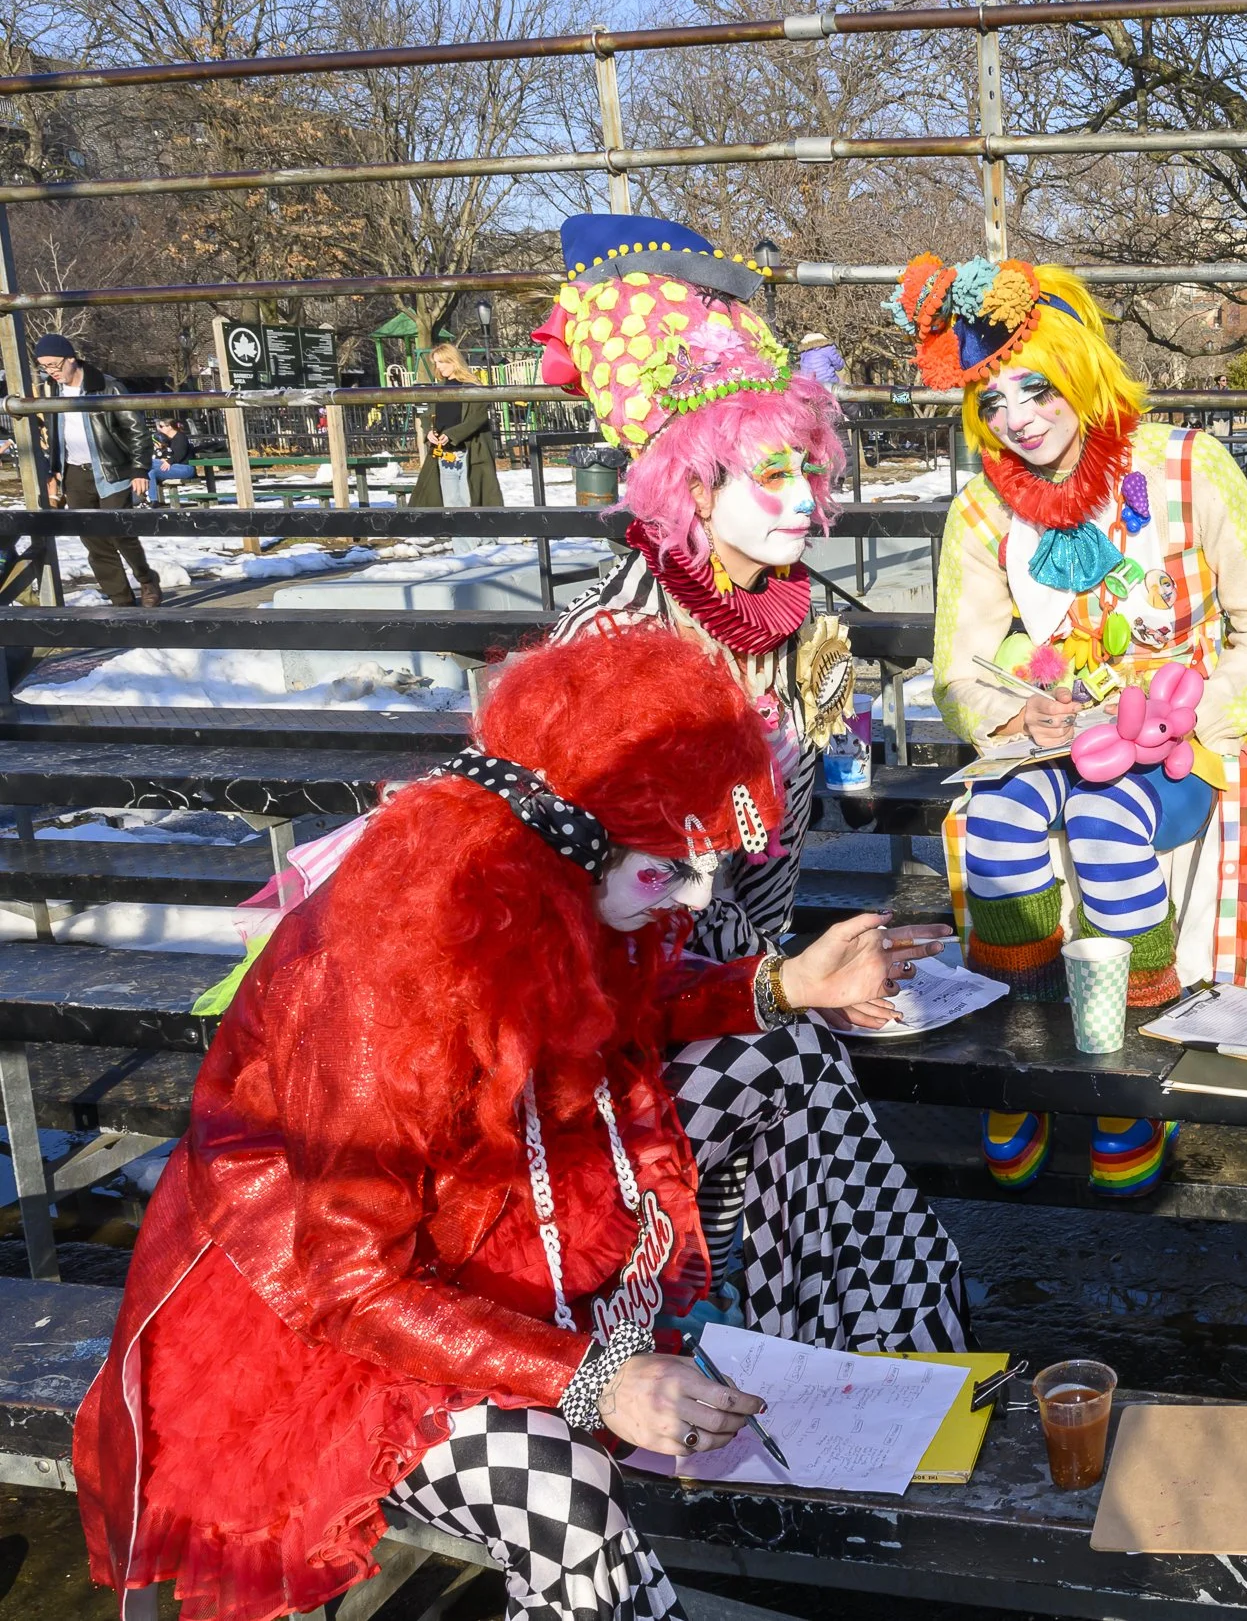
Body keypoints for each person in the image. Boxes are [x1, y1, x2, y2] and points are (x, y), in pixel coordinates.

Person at [73, 626, 956, 1621]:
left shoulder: (543, 881)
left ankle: (864, 1401)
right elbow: (347, 1285)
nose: (700, 894)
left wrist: (782, 982)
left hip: (498, 1204)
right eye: (667, 870)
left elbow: (609, 1007)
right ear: (570, 840)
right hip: (344, 1321)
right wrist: (594, 1377)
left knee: (785, 1053)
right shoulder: (381, 977)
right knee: (567, 1504)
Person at [536, 212, 959, 1327]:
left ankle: (792, 1338)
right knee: (795, 1069)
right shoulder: (612, 643)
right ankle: (717, 1333)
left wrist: (786, 975)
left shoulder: (785, 623)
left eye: (806, 468)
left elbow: (769, 870)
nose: (803, 500)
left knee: (802, 1067)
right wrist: (771, 990)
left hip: (722, 983)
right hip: (600, 1038)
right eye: (768, 473)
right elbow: (580, 921)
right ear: (687, 485)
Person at [901, 253, 1247, 1197]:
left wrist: (1191, 718)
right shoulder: (980, 509)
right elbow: (957, 669)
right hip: (1053, 733)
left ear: (1080, 365)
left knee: (1105, 820)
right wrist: (1015, 710)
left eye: (1035, 387)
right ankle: (1020, 1054)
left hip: (1190, 725)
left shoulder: (1187, 465)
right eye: (991, 400)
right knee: (996, 822)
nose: (1017, 418)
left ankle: (1129, 1070)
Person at [30, 332, 160, 606]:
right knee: (94, 540)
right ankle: (121, 601)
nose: (51, 371)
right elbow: (55, 432)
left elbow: (137, 431)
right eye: (44, 366)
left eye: (54, 364)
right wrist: (55, 467)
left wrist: (139, 469)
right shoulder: (52, 391)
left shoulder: (108, 387)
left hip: (112, 469)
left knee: (119, 533)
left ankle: (146, 578)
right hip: (74, 472)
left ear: (71, 359)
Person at [406, 340, 505, 507]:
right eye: (436, 363)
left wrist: (451, 435)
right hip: (444, 451)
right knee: (450, 500)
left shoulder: (473, 387)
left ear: (453, 361)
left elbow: (477, 419)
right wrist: (429, 432)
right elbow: (427, 415)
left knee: (468, 499)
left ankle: (469, 526)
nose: (438, 366)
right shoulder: (439, 388)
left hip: (468, 451)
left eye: (441, 362)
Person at [146, 415, 197, 506]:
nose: (159, 429)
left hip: (185, 468)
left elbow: (180, 454)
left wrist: (168, 461)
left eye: (161, 426)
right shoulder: (166, 440)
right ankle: (153, 500)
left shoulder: (180, 437)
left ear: (169, 426)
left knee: (150, 463)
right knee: (151, 472)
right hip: (173, 467)